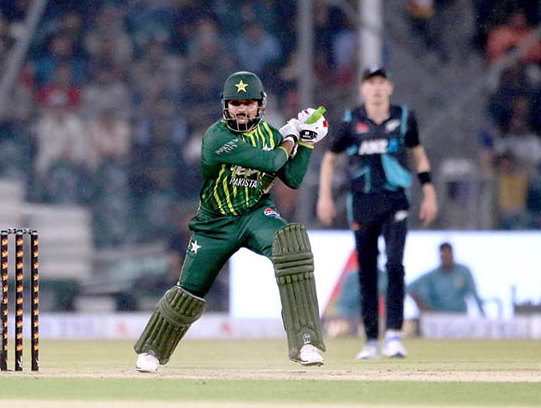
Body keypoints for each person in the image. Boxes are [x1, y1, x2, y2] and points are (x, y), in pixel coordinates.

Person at [133, 71, 329, 372]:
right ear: (225, 106)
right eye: (235, 103)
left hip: (255, 214)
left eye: (248, 103)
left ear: (260, 106)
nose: (241, 109)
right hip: (215, 224)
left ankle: (307, 341)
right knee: (189, 290)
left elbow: (291, 177)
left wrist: (307, 141)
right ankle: (152, 351)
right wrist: (291, 137)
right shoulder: (216, 137)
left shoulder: (270, 135)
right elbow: (272, 162)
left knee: (292, 244)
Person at [316, 66, 438, 360]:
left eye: (382, 82)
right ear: (363, 89)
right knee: (367, 271)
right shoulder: (350, 121)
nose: (377, 88)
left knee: (395, 265)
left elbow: (419, 156)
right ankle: (371, 339)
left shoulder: (404, 118)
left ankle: (393, 335)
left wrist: (429, 193)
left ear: (390, 87)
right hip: (362, 202)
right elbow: (330, 160)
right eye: (371, 83)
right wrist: (324, 198)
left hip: (395, 200)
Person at [407, 242, 484, 316]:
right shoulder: (432, 276)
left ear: (452, 254)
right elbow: (408, 288)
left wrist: (483, 313)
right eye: (443, 255)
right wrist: (421, 305)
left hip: (459, 316)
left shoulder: (463, 272)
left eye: (448, 254)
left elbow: (474, 293)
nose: (446, 258)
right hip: (438, 317)